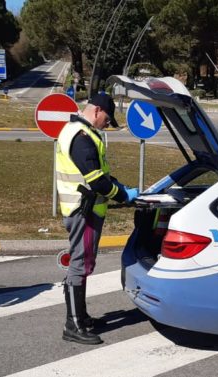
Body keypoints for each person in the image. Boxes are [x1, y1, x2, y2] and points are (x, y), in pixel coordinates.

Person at [56, 93, 138, 345]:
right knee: (79, 265)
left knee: (81, 263)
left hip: (82, 209)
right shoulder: (81, 138)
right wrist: (123, 194)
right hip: (84, 211)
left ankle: (80, 316)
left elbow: (101, 175)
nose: (106, 124)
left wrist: (118, 186)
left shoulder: (75, 130)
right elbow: (96, 180)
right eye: (107, 119)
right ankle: (74, 324)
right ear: (97, 111)